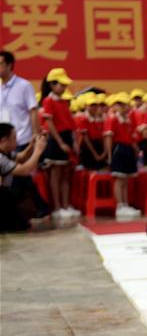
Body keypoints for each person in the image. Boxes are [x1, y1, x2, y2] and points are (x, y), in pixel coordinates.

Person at [40, 68, 81, 224]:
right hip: (55, 138)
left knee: (65, 174)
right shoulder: (48, 101)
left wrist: (74, 141)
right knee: (56, 174)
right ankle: (57, 207)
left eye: (65, 85)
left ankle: (65, 205)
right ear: (52, 84)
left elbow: (70, 124)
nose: (64, 88)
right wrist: (60, 142)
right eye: (61, 84)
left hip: (66, 137)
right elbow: (50, 124)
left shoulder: (64, 101)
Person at [0, 123, 48, 231]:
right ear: (3, 140)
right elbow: (25, 170)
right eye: (14, 138)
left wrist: (32, 145)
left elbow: (21, 157)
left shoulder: (5, 152)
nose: (16, 141)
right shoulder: (0, 158)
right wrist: (38, 150)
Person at [103, 93, 142, 220]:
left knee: (126, 179)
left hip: (128, 150)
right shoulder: (113, 119)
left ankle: (126, 204)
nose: (128, 108)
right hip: (118, 150)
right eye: (125, 105)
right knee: (119, 179)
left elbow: (132, 137)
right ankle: (120, 206)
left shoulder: (129, 120)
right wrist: (109, 155)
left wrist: (136, 150)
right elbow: (109, 138)